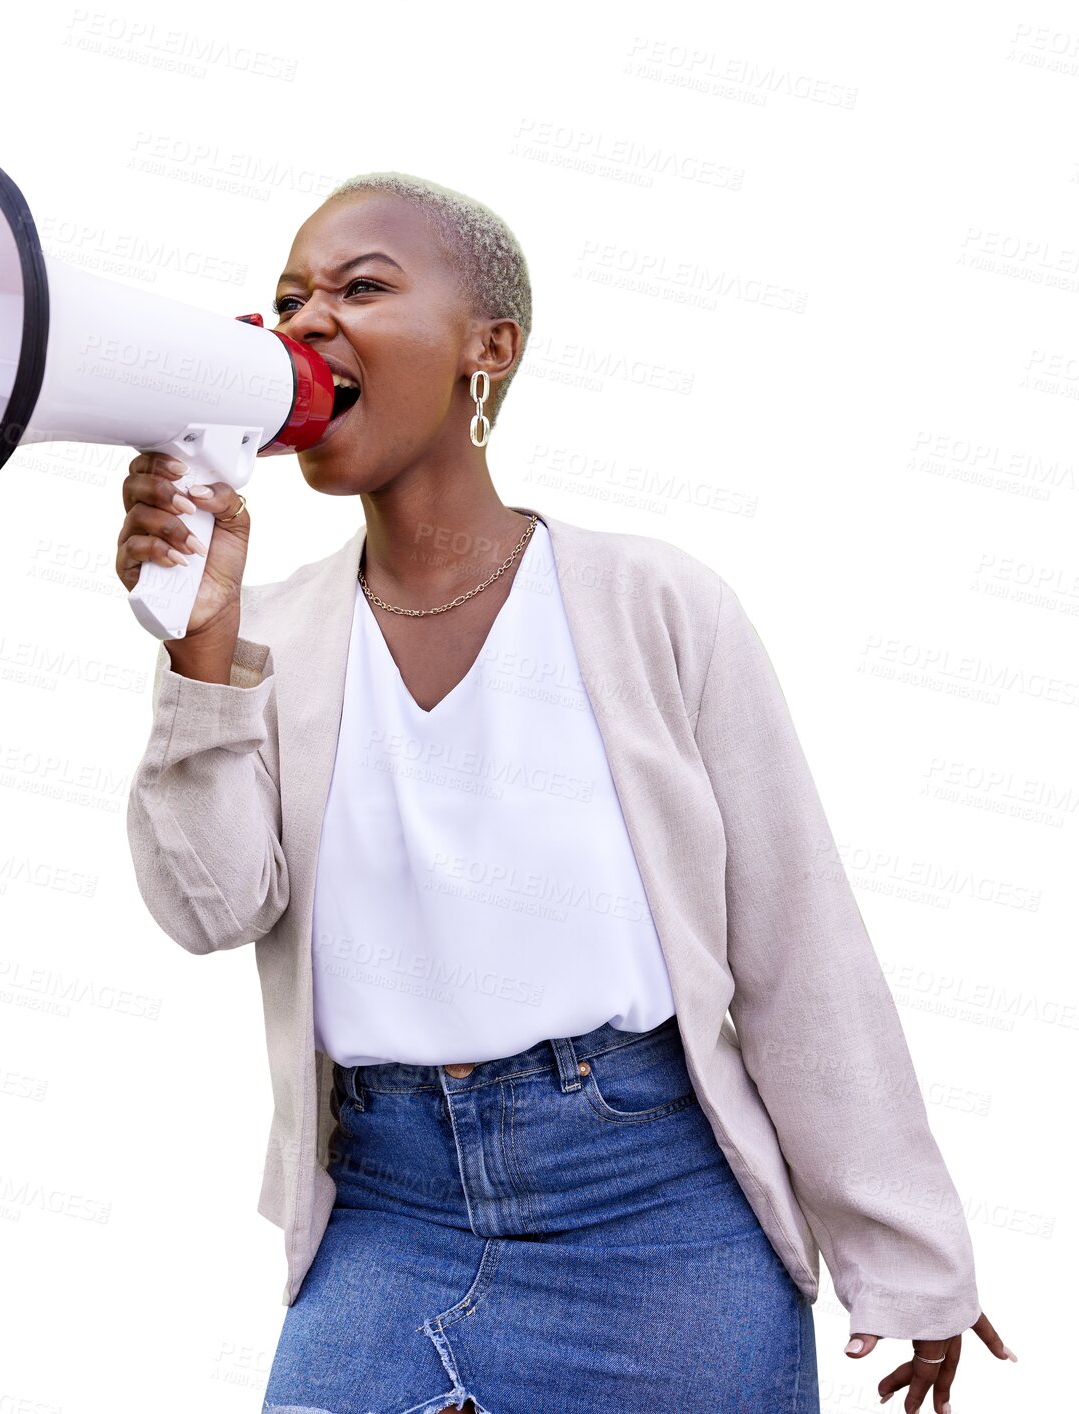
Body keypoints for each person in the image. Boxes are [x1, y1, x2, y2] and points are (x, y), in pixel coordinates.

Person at [117, 172, 1015, 1413]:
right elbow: (207, 908)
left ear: (492, 346)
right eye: (286, 299)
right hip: (388, 1209)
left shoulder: (655, 607)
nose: (305, 323)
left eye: (360, 287)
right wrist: (199, 648)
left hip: (654, 1213)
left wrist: (908, 1257)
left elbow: (797, 943)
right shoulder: (266, 636)